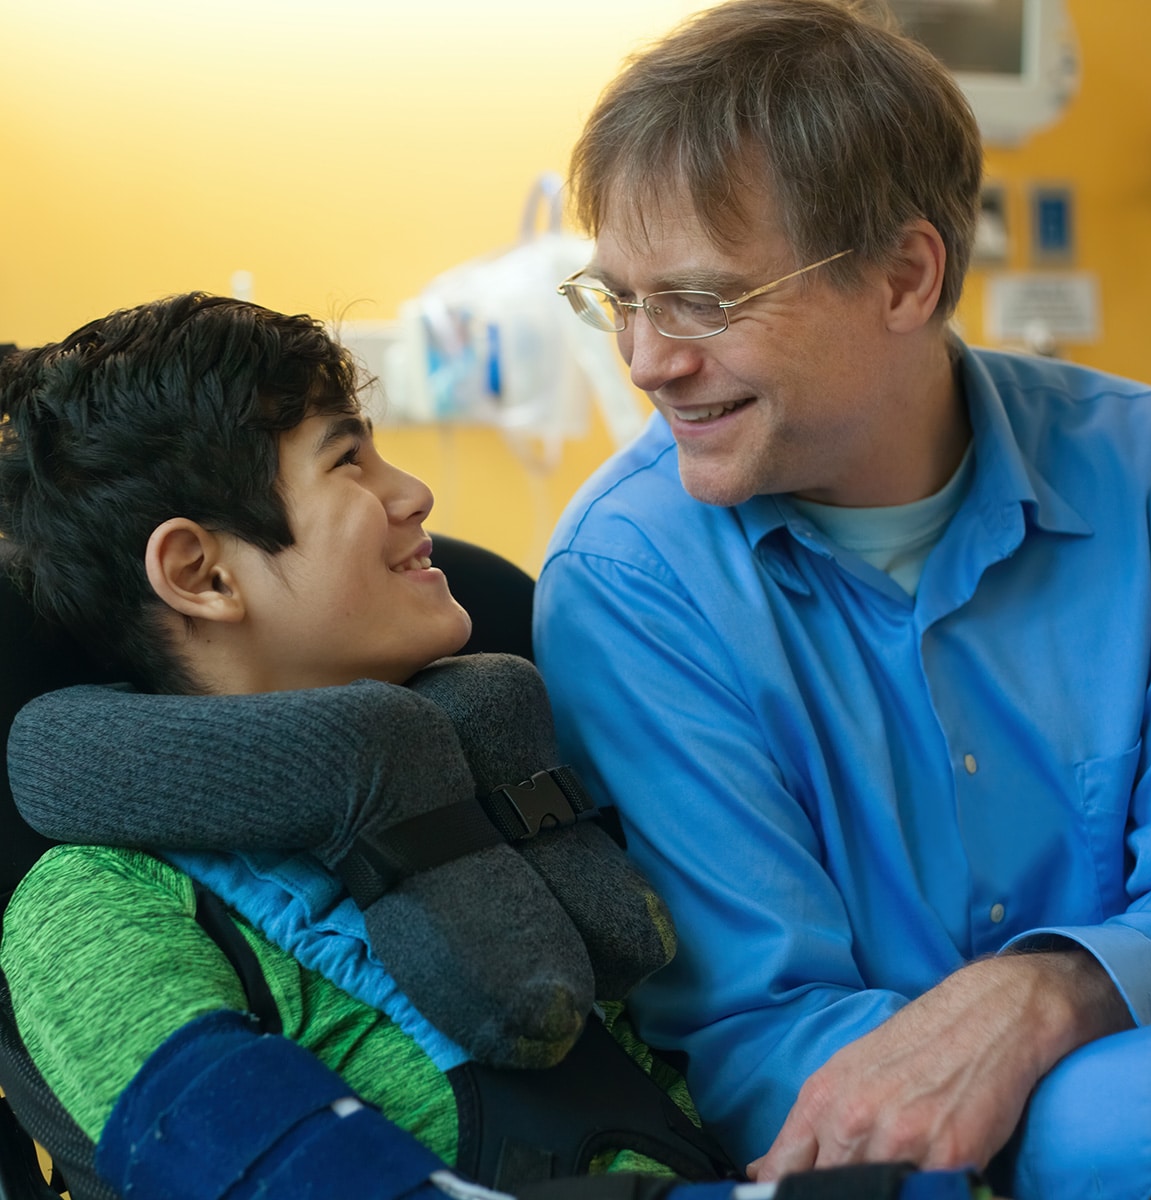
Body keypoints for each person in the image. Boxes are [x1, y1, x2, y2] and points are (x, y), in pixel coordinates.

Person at [531, 2, 1151, 1198]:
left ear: (905, 276)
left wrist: (1047, 993)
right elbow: (765, 1047)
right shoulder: (626, 583)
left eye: (704, 301)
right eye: (619, 298)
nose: (644, 359)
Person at [0, 292, 734, 1199]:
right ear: (202, 573)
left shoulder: (496, 770)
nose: (414, 494)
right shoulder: (91, 910)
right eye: (348, 461)